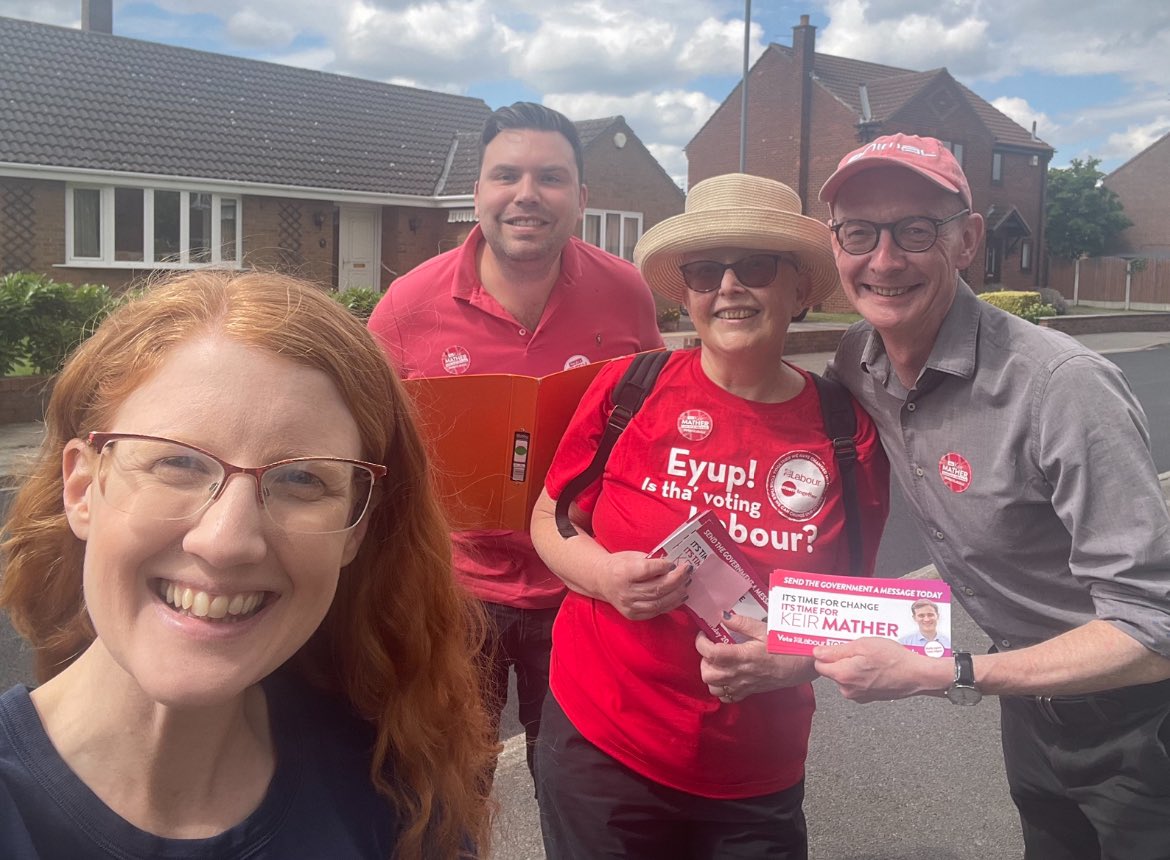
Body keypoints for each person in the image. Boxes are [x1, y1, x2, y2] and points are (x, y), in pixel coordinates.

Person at [0, 271, 495, 859]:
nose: (227, 541)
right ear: (83, 487)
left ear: (356, 528)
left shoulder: (399, 802)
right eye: (177, 464)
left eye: (301, 480)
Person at [813, 133, 1170, 860]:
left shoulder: (1062, 387)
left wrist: (955, 673)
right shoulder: (859, 360)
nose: (884, 259)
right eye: (859, 232)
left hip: (1140, 721)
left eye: (917, 230)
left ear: (968, 239)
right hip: (1031, 707)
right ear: (835, 244)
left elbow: (1153, 627)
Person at [528, 173, 890, 859]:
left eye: (754, 266)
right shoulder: (630, 388)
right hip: (603, 747)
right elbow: (551, 516)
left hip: (754, 773)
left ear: (800, 289)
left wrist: (797, 660)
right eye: (704, 270)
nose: (728, 286)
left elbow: (856, 607)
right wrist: (604, 577)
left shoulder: (846, 432)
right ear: (686, 292)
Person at [367, 101, 663, 780]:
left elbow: (655, 419)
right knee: (449, 782)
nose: (527, 195)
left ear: (582, 199)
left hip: (582, 587)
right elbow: (366, 443)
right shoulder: (407, 306)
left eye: (550, 178)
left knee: (579, 781)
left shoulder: (626, 293)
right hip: (456, 592)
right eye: (506, 176)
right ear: (477, 193)